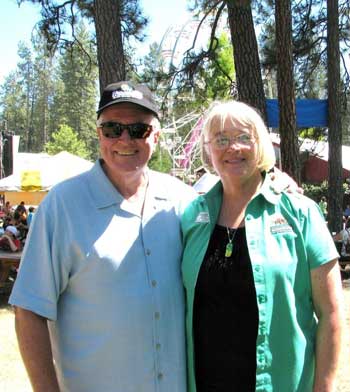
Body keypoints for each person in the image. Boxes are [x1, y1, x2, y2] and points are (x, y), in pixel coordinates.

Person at [9, 81, 197, 392]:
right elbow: (29, 311)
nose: (125, 139)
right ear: (99, 134)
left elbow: (232, 212)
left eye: (139, 130)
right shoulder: (62, 205)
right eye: (112, 129)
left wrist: (266, 179)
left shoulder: (183, 201)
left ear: (157, 136)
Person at [181, 101, 343, 392]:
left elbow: (331, 313)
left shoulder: (300, 213)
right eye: (221, 139)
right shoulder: (191, 217)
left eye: (244, 137)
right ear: (208, 148)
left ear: (261, 145)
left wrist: (325, 387)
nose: (233, 148)